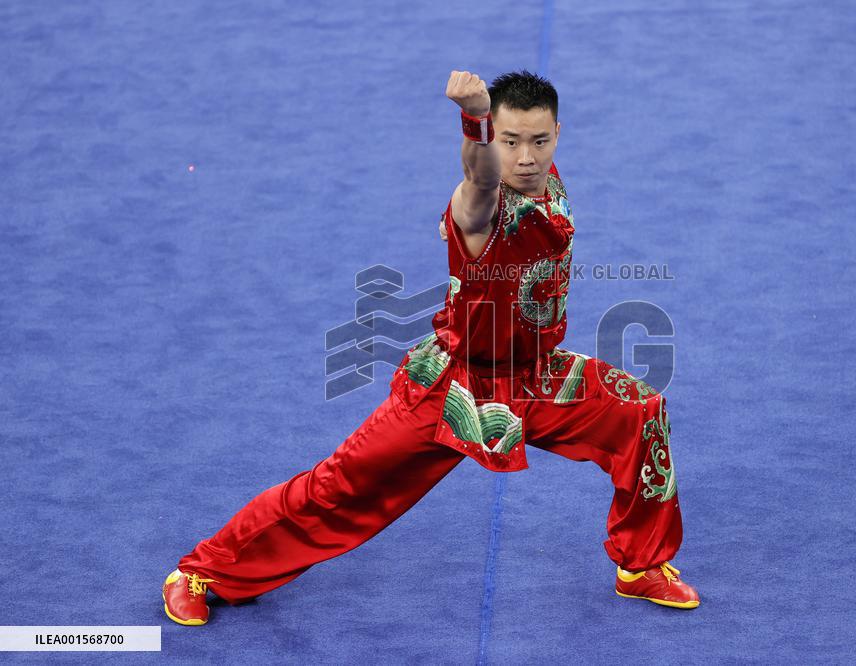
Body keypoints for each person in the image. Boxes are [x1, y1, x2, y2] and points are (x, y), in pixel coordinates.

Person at [162, 69, 699, 626]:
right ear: (495, 137)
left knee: (641, 411)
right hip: (453, 388)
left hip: (535, 377)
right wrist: (474, 120)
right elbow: (479, 183)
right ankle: (203, 570)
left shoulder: (549, 179)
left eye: (538, 141)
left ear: (557, 135)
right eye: (509, 141)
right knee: (338, 489)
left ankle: (641, 566)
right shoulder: (482, 210)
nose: (525, 157)